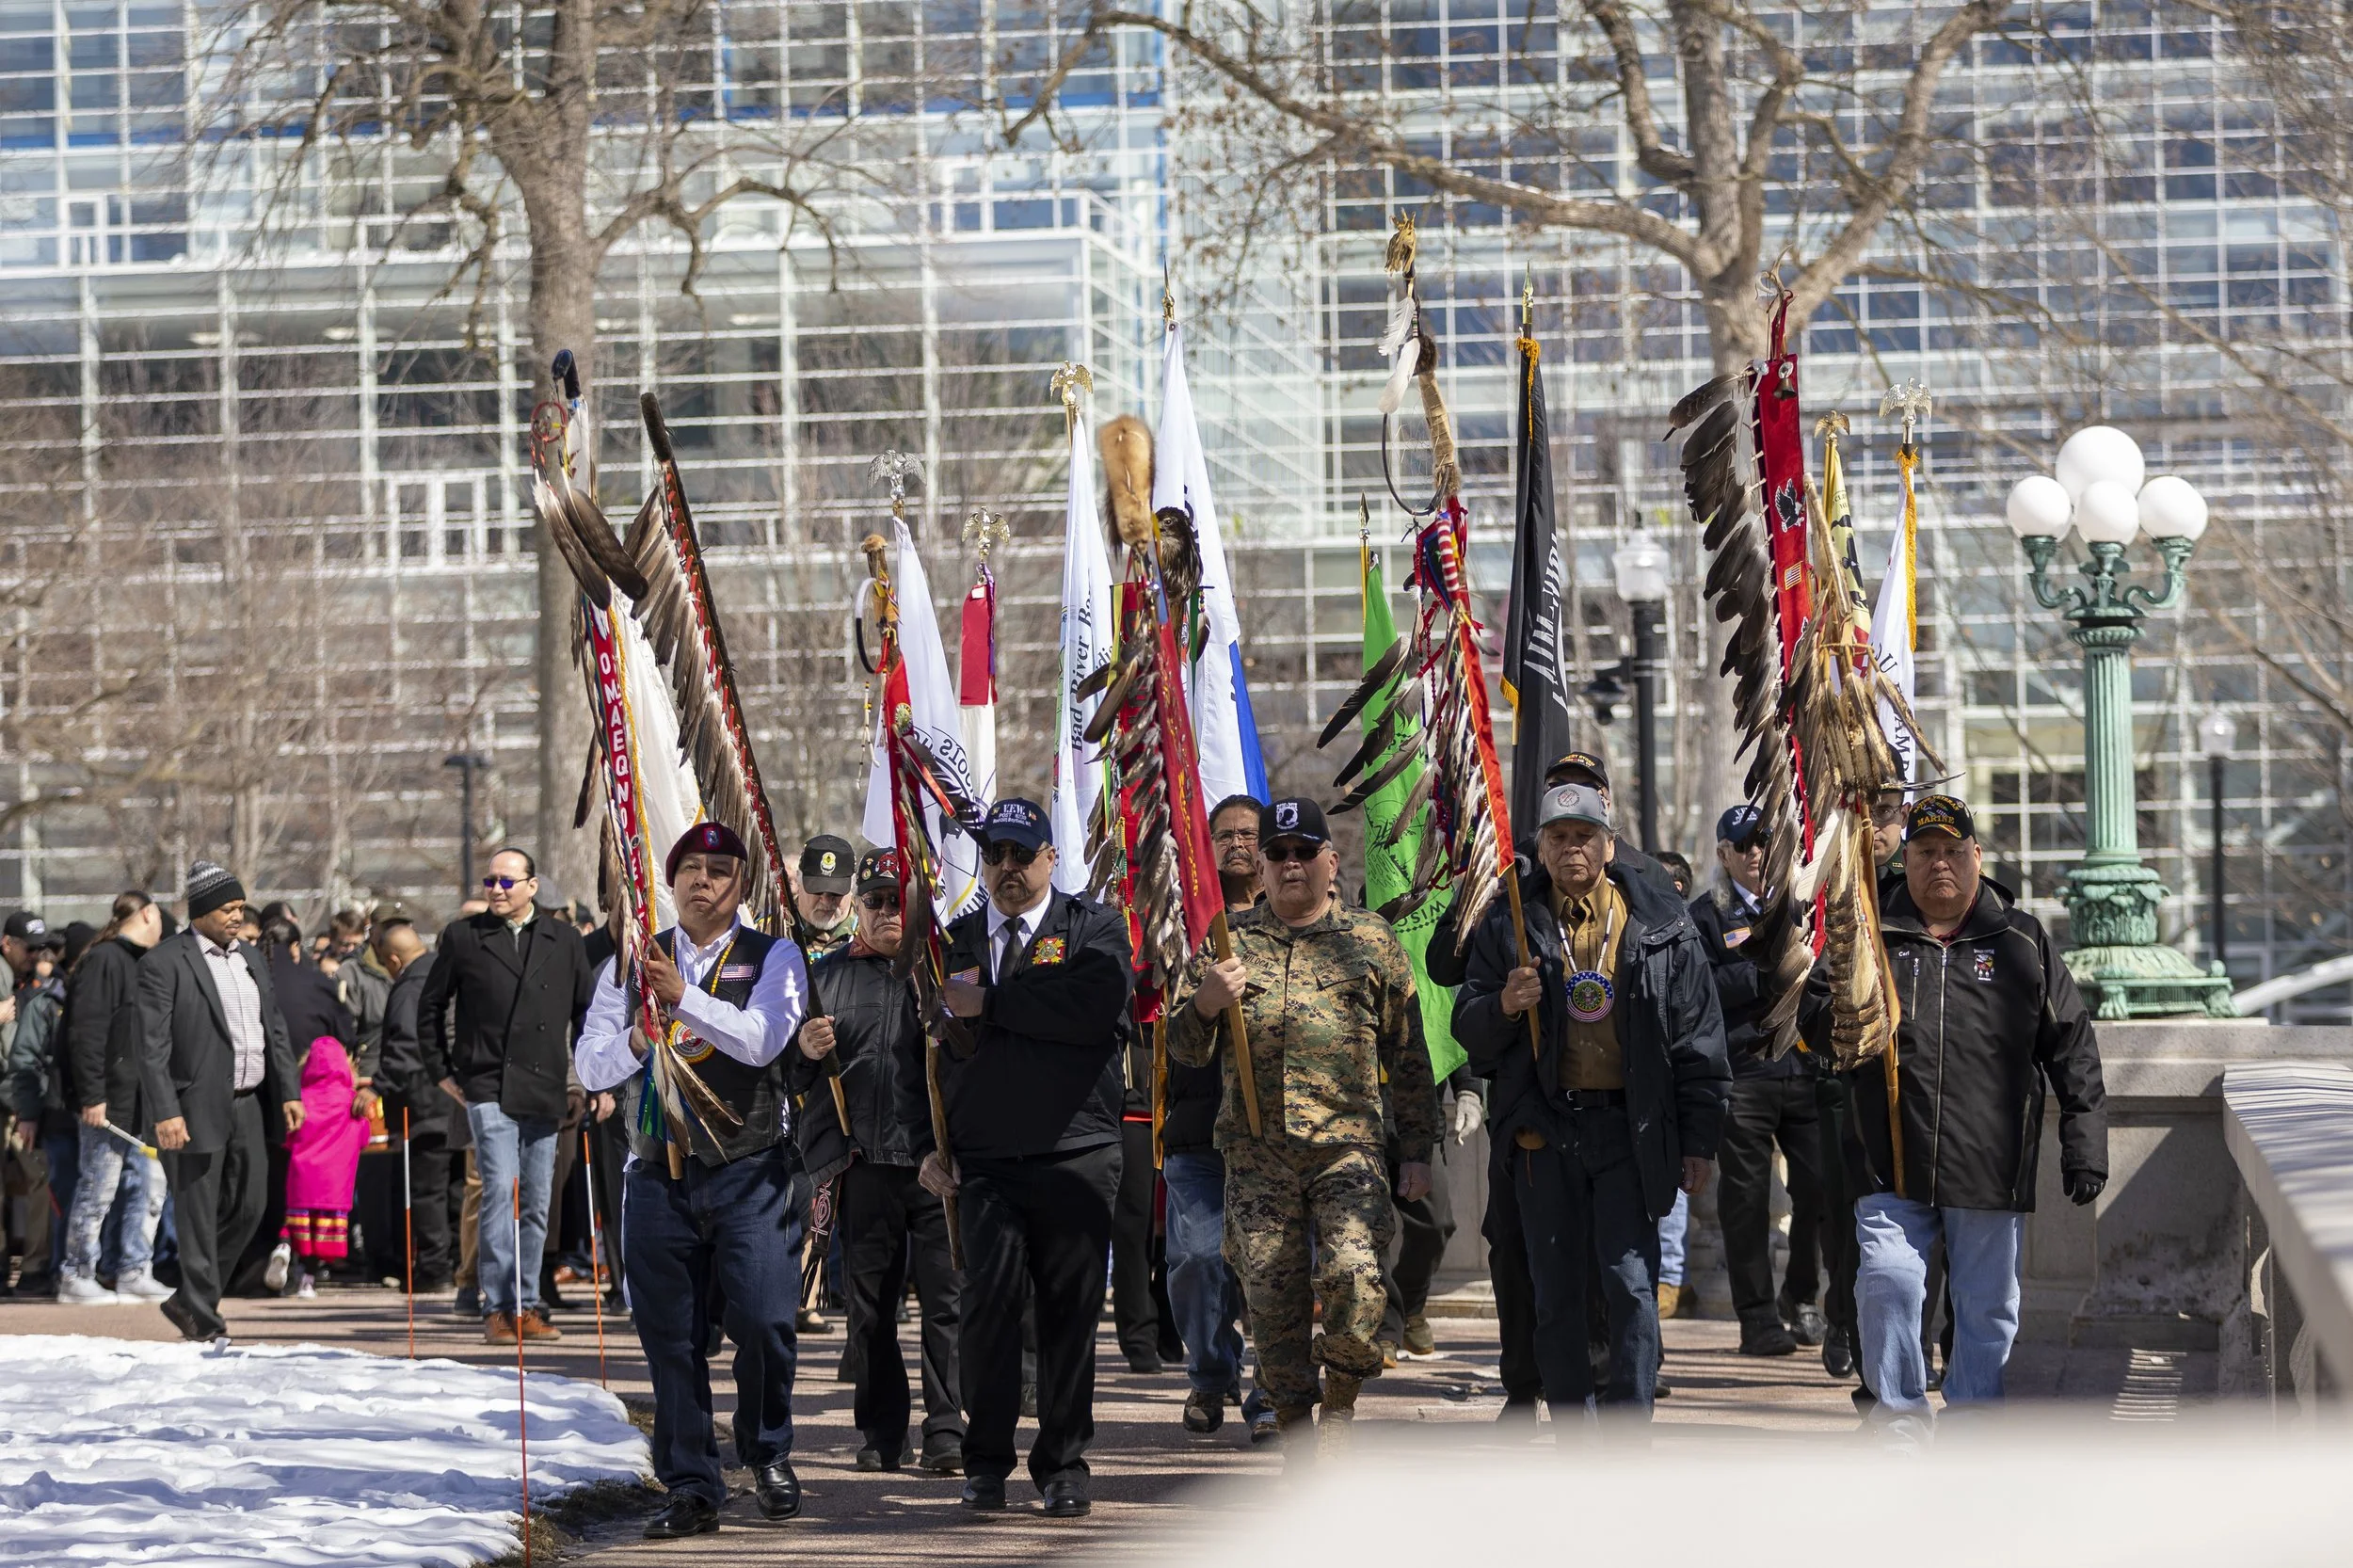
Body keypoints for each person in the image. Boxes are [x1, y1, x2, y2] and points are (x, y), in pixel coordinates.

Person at [1802, 794, 2106, 1442]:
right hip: (1889, 1156)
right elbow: (1815, 1016)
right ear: (1905, 860)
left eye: (1951, 851)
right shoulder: (1869, 933)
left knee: (1986, 1308)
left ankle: (1971, 1427)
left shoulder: (2020, 939)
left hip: (1988, 1163)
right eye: (1924, 852)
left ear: (1976, 857)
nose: (1939, 864)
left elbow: (2072, 1044)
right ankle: (1900, 1425)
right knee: (1887, 1284)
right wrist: (1837, 1020)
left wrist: (2085, 1141)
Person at [1172, 796, 1439, 1462]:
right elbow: (1178, 1050)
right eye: (1277, 854)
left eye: (1303, 852)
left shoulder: (1369, 941)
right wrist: (1205, 1004)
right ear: (1259, 866)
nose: (1291, 866)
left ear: (1330, 860)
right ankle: (1293, 1424)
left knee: (1353, 1277)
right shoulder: (1227, 942)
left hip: (1345, 1149)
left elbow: (1408, 1057)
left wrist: (1417, 1152)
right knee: (1271, 1298)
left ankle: (1341, 1403)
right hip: (1257, 1154)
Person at [1454, 783, 1729, 1422]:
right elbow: (1467, 1027)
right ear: (1541, 848)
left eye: (1584, 836)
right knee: (1555, 1292)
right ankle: (1574, 1428)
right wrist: (1502, 1005)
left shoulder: (1663, 925)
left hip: (1630, 1131)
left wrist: (1698, 1140)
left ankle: (1630, 1429)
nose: (1571, 847)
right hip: (1544, 1134)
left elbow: (1699, 1039)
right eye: (1558, 836)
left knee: (1631, 1284)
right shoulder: (1510, 924)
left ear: (1609, 846)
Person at [574, 822, 812, 1538]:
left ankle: (767, 1450)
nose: (704, 881)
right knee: (670, 1339)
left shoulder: (775, 956)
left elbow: (765, 1038)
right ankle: (691, 1484)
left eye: (720, 870)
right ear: (671, 881)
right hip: (657, 1175)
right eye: (691, 870)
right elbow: (590, 1066)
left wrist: (684, 998)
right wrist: (641, 1036)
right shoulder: (628, 962)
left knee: (768, 1321)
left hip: (750, 1172)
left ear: (742, 885)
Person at [920, 797, 1132, 1519]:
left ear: (1051, 858)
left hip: (1077, 1154)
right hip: (986, 1162)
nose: (1008, 869)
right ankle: (986, 1462)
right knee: (989, 1311)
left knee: (1069, 1315)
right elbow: (928, 1046)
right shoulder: (957, 937)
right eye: (996, 855)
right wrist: (931, 1145)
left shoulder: (1093, 927)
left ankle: (1064, 1464)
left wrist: (997, 1004)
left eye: (1021, 853)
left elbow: (1092, 1007)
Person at [790, 849, 964, 1476]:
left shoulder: (943, 970)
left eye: (900, 900)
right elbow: (790, 1075)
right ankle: (882, 1431)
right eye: (877, 901)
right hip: (863, 1166)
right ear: (856, 908)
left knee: (946, 1304)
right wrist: (805, 1050)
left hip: (939, 1168)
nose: (889, 911)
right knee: (871, 1310)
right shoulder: (826, 976)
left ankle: (946, 1427)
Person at [420, 847, 598, 1344]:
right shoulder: (463, 938)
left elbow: (586, 1016)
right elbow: (430, 1007)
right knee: (499, 1190)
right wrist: (442, 1072)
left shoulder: (564, 940)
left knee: (538, 1200)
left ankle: (527, 1303)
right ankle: (497, 1306)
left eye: (506, 881)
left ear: (532, 887)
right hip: (486, 1084)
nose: (496, 889)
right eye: (490, 881)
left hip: (545, 1087)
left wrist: (588, 1081)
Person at [138, 862, 302, 1342]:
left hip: (249, 1101)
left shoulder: (250, 958)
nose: (237, 916)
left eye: (240, 907)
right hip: (190, 1106)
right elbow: (152, 1046)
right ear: (204, 910)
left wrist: (289, 1091)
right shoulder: (165, 962)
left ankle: (191, 1298)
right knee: (196, 1213)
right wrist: (166, 1110)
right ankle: (204, 1319)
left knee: (251, 1207)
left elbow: (274, 1029)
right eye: (228, 908)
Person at [1159, 792, 1277, 1441]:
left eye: (1248, 834)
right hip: (1198, 1130)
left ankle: (1270, 1395)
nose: (1237, 844)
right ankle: (1209, 1375)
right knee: (1198, 1260)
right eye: (1224, 835)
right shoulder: (1182, 924)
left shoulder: (1295, 917)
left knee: (1270, 1267)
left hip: (1273, 1137)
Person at [1688, 803, 1825, 1356]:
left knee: (1819, 1185)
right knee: (1744, 1200)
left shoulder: (1802, 905)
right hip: (1744, 1072)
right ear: (1723, 854)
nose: (1756, 854)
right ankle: (1758, 1318)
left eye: (1765, 842)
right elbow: (1699, 995)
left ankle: (1802, 1292)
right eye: (1743, 845)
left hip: (1806, 1065)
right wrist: (1767, 966)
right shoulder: (1705, 916)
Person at [56, 894, 168, 1304]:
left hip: (138, 1098)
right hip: (106, 1100)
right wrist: (92, 1094)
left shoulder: (140, 962)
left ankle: (134, 1268)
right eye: (159, 918)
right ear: (146, 914)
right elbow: (85, 1033)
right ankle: (76, 1272)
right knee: (99, 1185)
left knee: (146, 1184)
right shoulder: (104, 960)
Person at [372, 921, 455, 1290]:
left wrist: (377, 1086)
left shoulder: (410, 986)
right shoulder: (444, 970)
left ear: (393, 959)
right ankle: (457, 1265)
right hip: (455, 1099)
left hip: (425, 1103)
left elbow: (405, 1046)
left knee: (427, 1190)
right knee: (452, 1188)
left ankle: (435, 1268)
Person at [2, 912, 70, 1292]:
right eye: (30, 948)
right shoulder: (12, 984)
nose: (37, 956)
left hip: (23, 1100)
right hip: (17, 1099)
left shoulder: (39, 988)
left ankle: (32, 1268)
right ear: (8, 943)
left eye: (43, 949)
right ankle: (31, 1268)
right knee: (30, 1183)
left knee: (33, 1183)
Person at [280, 1033, 370, 1297]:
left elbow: (288, 1137)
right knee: (319, 1240)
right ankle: (308, 1280)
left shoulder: (300, 1099)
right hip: (334, 1187)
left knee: (296, 1228)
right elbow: (363, 1137)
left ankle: (285, 1249)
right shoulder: (350, 1101)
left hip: (301, 1180)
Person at [793, 835, 857, 959]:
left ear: (852, 886)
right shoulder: (772, 931)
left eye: (836, 892)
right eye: (817, 891)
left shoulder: (872, 933)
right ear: (798, 881)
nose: (827, 901)